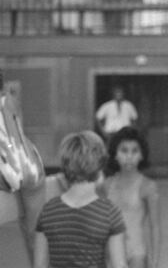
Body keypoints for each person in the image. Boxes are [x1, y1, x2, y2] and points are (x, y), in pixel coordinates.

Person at [33, 130, 127, 268]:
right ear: (100, 165)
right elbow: (119, 265)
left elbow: (39, 266)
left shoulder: (48, 211)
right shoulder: (109, 212)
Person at [0, 69, 46, 264]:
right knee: (36, 231)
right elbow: (17, 132)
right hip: (31, 165)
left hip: (6, 167)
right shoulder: (10, 99)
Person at [103, 126, 161, 268]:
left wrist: (154, 261)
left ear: (142, 155)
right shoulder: (106, 185)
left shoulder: (148, 186)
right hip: (110, 252)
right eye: (124, 150)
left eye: (134, 151)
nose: (129, 156)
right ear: (115, 154)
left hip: (137, 253)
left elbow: (155, 226)